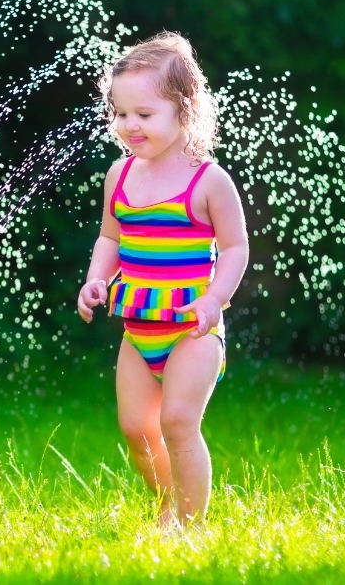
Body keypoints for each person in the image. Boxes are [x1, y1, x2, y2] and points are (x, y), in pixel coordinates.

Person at [76, 32, 248, 528]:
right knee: (136, 428)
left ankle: (191, 528)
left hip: (192, 329)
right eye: (120, 113)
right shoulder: (121, 175)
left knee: (177, 422)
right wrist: (96, 280)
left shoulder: (208, 180)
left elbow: (236, 247)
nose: (129, 126)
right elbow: (110, 238)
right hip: (138, 326)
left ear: (185, 109)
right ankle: (169, 503)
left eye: (143, 115)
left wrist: (215, 300)